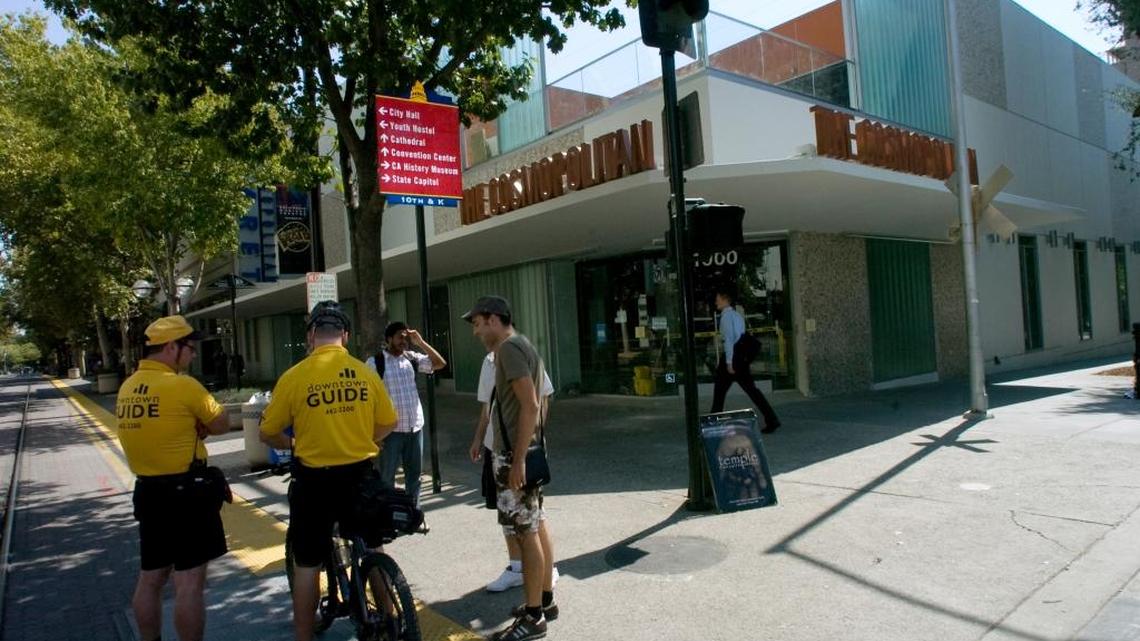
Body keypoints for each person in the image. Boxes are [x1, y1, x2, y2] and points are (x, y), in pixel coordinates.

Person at [259, 301, 398, 641]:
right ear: (345, 336)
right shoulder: (364, 373)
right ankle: (391, 621)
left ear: (310, 337)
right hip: (361, 474)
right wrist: (364, 438)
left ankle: (304, 636)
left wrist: (294, 445)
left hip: (315, 480)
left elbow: (267, 432)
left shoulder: (294, 377)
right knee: (373, 545)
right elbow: (389, 422)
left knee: (307, 564)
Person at [116, 315, 231, 641]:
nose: (194, 355)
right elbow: (221, 422)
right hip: (188, 496)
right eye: (189, 348)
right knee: (189, 583)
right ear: (171, 348)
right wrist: (202, 425)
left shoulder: (128, 387)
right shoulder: (182, 386)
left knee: (150, 579)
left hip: (148, 493)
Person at [463, 295, 556, 641]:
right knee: (534, 525)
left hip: (514, 456)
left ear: (492, 319)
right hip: (525, 450)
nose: (475, 332)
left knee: (525, 533)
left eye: (476, 323)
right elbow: (538, 402)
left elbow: (531, 404)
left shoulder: (508, 350)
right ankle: (543, 600)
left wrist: (517, 459)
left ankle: (534, 617)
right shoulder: (523, 345)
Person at [471, 349, 559, 593]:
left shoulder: (526, 357)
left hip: (521, 450)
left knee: (534, 516)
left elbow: (543, 399)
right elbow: (486, 408)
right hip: (495, 450)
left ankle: (546, 576)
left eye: (481, 323)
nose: (478, 331)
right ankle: (517, 569)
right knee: (508, 515)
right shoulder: (487, 362)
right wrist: (479, 439)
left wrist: (531, 440)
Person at [365, 321, 446, 507]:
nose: (404, 340)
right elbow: (367, 400)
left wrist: (421, 342)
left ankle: (412, 515)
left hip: (415, 427)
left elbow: (439, 363)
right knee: (387, 477)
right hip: (390, 432)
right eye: (399, 337)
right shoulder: (375, 362)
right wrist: (374, 434)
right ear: (389, 339)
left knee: (414, 477)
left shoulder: (411, 358)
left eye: (406, 337)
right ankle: (388, 517)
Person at [709, 287, 781, 433]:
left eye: (717, 298)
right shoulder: (737, 315)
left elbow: (729, 340)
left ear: (724, 299)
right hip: (741, 359)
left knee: (719, 391)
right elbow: (740, 336)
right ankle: (772, 419)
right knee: (752, 391)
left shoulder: (726, 317)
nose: (716, 301)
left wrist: (729, 362)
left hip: (731, 360)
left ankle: (712, 424)